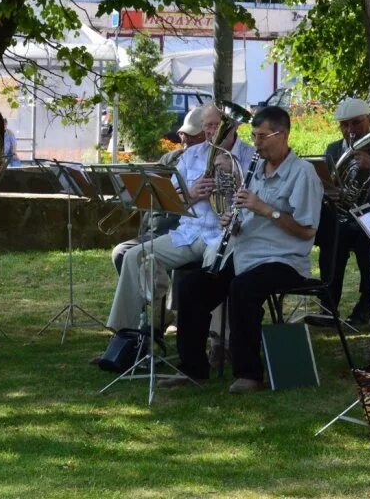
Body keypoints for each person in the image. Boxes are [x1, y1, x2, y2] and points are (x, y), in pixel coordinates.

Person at [159, 106, 323, 393]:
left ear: (282, 135)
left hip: (284, 259)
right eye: (254, 136)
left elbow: (307, 229)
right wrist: (233, 221)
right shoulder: (257, 170)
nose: (256, 144)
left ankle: (249, 373)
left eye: (262, 137)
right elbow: (249, 214)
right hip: (247, 253)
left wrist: (264, 209)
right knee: (193, 285)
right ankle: (193, 369)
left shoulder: (302, 173)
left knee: (242, 288)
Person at [95, 104, 254, 350]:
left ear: (233, 126)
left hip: (224, 234)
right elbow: (170, 200)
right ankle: (124, 338)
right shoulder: (190, 156)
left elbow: (258, 199)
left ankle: (218, 342)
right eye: (207, 126)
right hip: (189, 234)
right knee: (135, 256)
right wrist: (191, 194)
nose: (212, 132)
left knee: (216, 268)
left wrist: (233, 174)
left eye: (216, 125)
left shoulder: (250, 156)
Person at [109, 106, 207, 274]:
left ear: (207, 135)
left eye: (193, 136)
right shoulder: (171, 158)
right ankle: (147, 297)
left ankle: (161, 297)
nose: (186, 140)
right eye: (184, 135)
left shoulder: (211, 162)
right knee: (121, 252)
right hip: (154, 231)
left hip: (182, 233)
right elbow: (150, 189)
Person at [309, 97, 370, 326]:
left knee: (367, 248)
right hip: (341, 216)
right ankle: (328, 305)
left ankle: (366, 305)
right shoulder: (334, 149)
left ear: (369, 120)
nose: (351, 130)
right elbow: (325, 183)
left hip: (369, 216)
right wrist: (329, 193)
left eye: (356, 123)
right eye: (345, 125)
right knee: (330, 245)